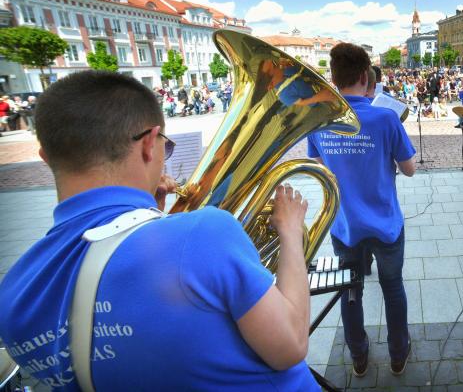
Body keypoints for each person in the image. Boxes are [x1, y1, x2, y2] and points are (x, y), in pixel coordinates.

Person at [0, 71, 317, 390]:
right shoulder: (205, 232)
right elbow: (291, 346)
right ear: (149, 144)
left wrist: (153, 220)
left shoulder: (12, 295)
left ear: (45, 157)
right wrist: (290, 233)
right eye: (166, 148)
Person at [307, 43, 416, 378]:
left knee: (351, 290)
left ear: (335, 78)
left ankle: (359, 355)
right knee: (392, 286)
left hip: (345, 224)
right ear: (365, 77)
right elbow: (409, 168)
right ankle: (398, 354)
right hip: (385, 223)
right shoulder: (385, 116)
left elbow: (319, 164)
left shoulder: (321, 120)